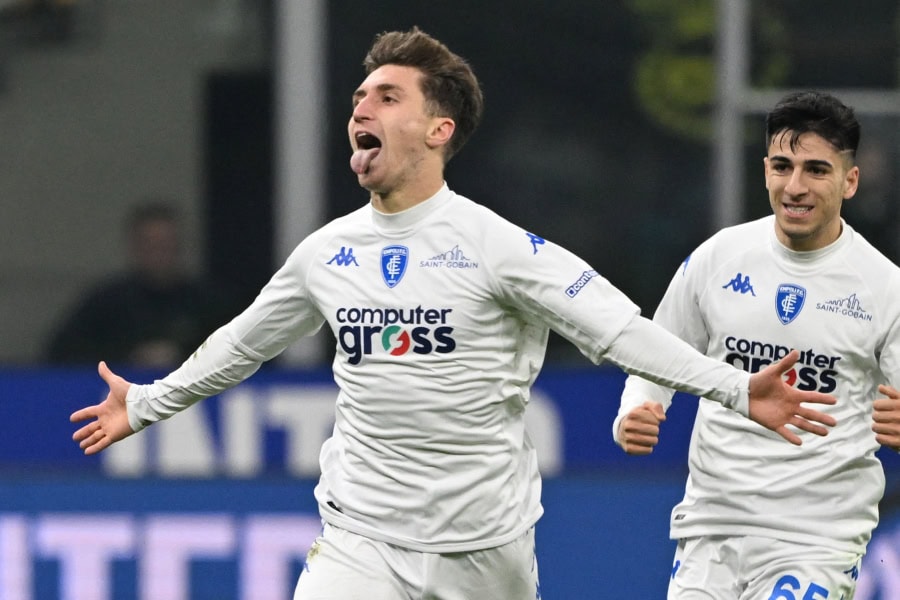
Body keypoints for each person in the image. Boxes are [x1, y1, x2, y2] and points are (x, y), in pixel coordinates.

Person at [71, 30, 837, 600]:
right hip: (361, 539)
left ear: (439, 131)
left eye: (386, 96)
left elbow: (621, 329)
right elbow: (240, 345)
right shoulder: (326, 255)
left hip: (486, 550)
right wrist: (146, 402)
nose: (361, 108)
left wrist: (737, 390)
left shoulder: (498, 248)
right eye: (358, 98)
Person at [614, 91, 900, 599]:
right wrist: (638, 406)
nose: (795, 186)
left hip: (814, 540)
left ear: (849, 181)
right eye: (782, 166)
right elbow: (656, 355)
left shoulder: (883, 287)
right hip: (710, 528)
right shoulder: (719, 257)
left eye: (816, 169)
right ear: (764, 169)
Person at [45, 201, 237, 368]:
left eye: (165, 245)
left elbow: (241, 351)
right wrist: (129, 358)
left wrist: (184, 356)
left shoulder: (209, 303)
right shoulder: (107, 303)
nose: (158, 254)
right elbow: (61, 353)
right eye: (150, 245)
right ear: (134, 247)